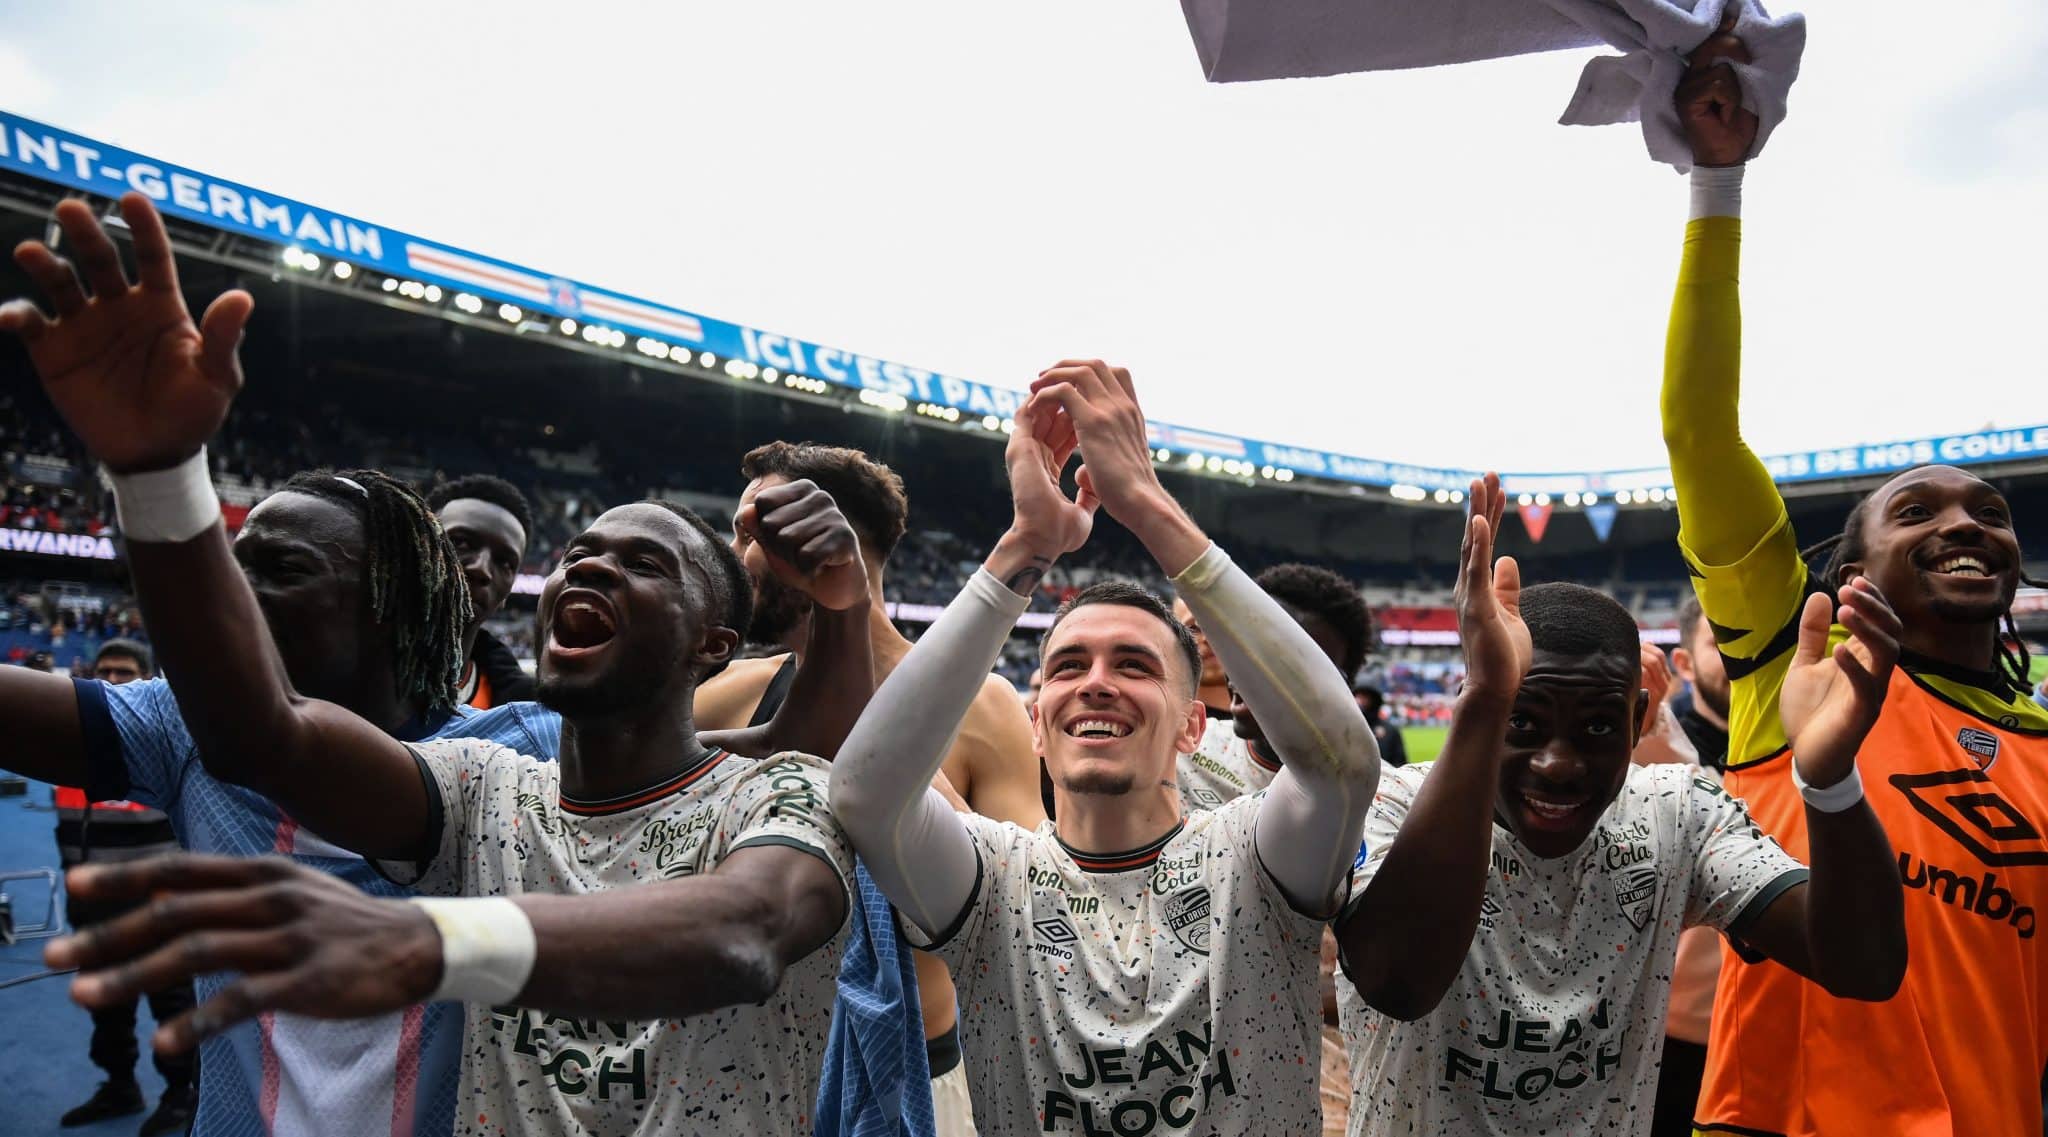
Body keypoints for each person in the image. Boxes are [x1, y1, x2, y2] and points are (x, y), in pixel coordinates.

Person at [4, 191, 879, 1136]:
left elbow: (748, 917)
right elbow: (260, 733)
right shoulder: (480, 786)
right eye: (580, 551)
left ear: (717, 642)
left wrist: (431, 937)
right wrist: (160, 475)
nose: (584, 564)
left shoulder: (690, 777)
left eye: (644, 562)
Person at [830, 360, 1381, 1135]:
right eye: (1067, 666)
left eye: (1134, 664)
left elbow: (1342, 762)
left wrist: (1147, 504)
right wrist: (1024, 547)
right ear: (1037, 720)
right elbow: (862, 791)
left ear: (1193, 727)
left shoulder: (1256, 854)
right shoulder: (992, 881)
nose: (1096, 683)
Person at [1662, 30, 2048, 1136]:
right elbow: (1696, 431)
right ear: (1848, 567)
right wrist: (1715, 183)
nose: (1966, 524)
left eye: (1990, 511)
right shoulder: (1789, 664)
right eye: (1917, 512)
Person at [1331, 474, 1908, 1137]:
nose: (1558, 762)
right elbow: (1398, 982)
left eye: (1598, 728)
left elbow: (1864, 964)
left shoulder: (1678, 810)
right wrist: (1487, 701)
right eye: (1522, 723)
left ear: (1638, 721)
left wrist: (1830, 780)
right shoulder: (1394, 802)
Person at [701, 439, 1047, 1136]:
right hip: (749, 1065)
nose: (732, 552)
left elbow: (1031, 908)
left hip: (918, 1077)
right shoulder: (732, 693)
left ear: (821, 533)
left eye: (749, 531)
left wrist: (887, 759)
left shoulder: (983, 706)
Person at [50, 638, 197, 1135]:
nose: (113, 681)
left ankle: (182, 1094)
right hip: (93, 914)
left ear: (145, 681)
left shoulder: (165, 755)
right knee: (106, 1009)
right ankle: (119, 1085)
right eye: (105, 672)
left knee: (173, 1008)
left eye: (125, 673)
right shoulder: (70, 754)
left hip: (161, 917)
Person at [1176, 562, 1371, 812]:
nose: (1253, 672)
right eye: (1246, 647)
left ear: (1340, 688)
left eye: (1291, 669)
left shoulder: (1376, 798)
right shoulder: (1177, 750)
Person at [425, 474, 536, 708]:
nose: (481, 569)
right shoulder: (339, 672)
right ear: (417, 546)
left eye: (505, 562)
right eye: (461, 543)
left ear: (507, 595)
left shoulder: (523, 713)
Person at [1668, 595, 1731, 769]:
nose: (1745, 658)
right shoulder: (1665, 763)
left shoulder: (1799, 749)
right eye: (1725, 644)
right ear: (1685, 665)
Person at [1171, 593, 1234, 718]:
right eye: (1193, 629)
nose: (1207, 638)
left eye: (1219, 625)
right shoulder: (1168, 729)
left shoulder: (1275, 716)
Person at [1353, 684, 1409, 768]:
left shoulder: (1390, 730)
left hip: (1384, 778)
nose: (1359, 701)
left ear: (1374, 700)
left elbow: (1400, 763)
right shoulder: (1348, 728)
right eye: (1357, 697)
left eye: (1364, 697)